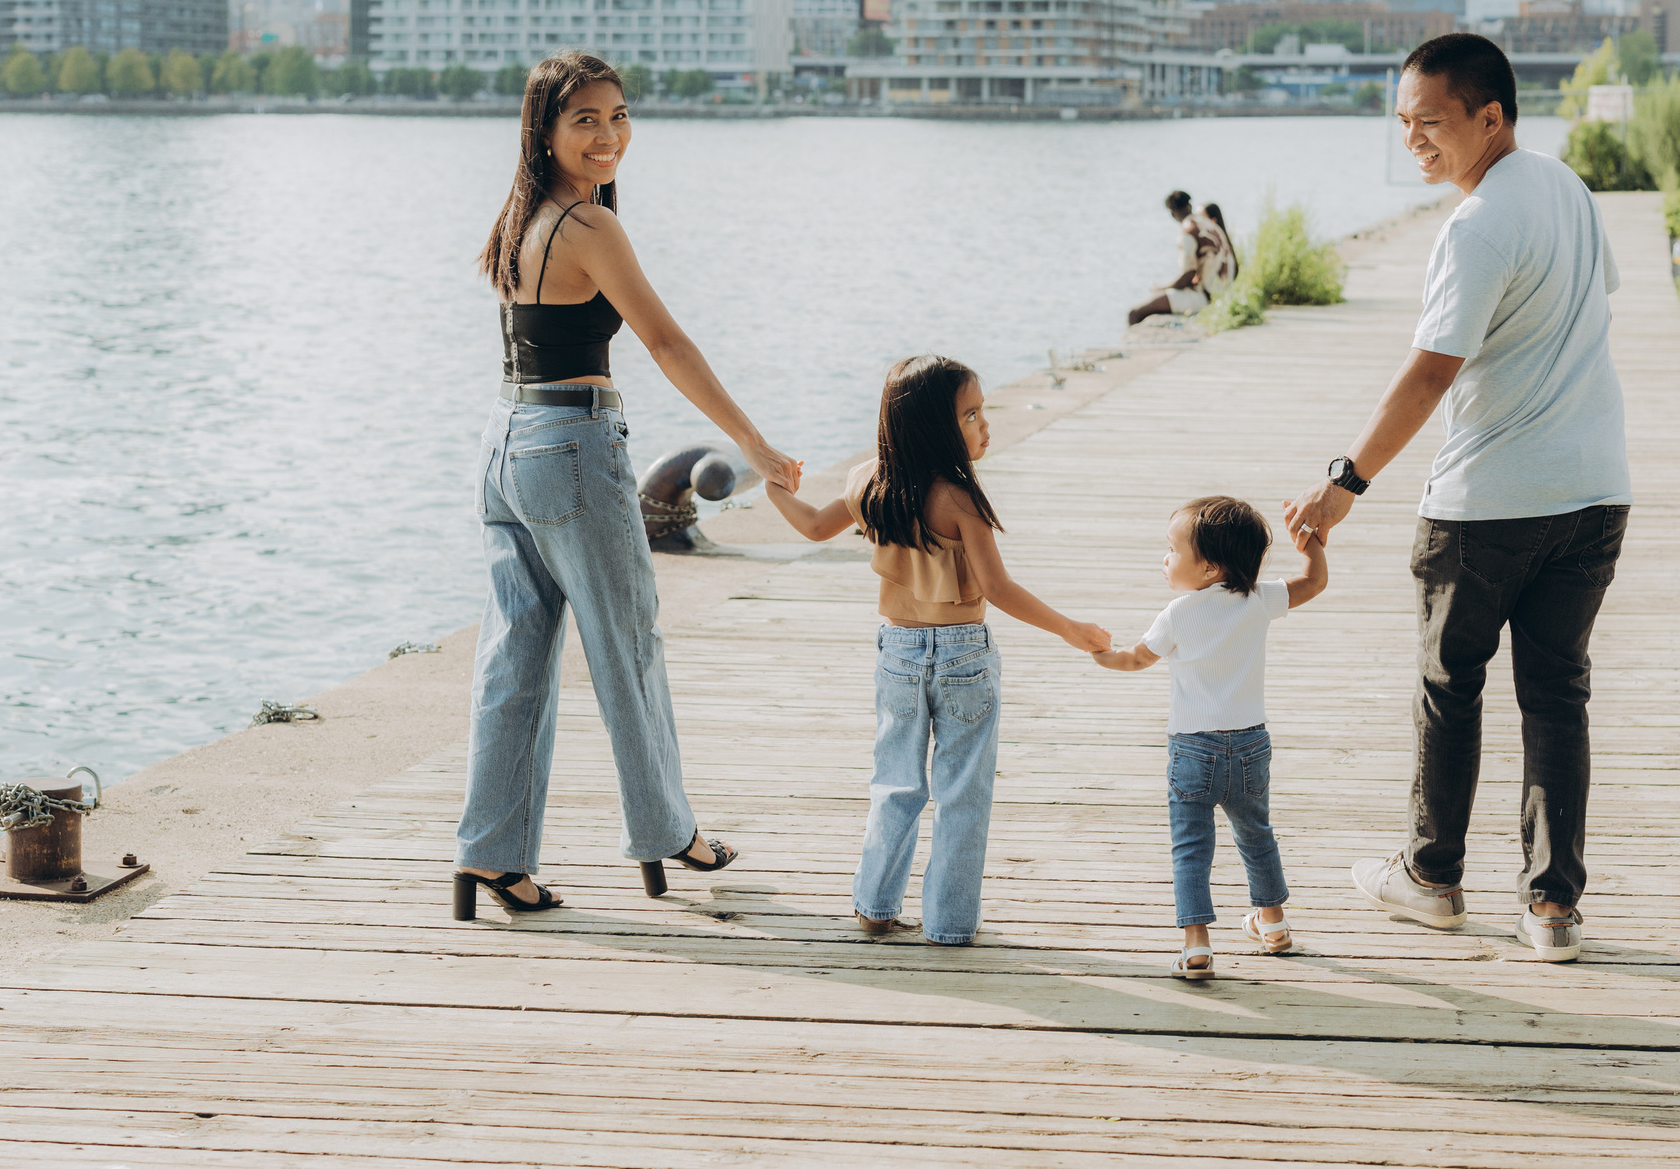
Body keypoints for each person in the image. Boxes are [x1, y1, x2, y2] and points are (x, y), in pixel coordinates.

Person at [1283, 31, 1630, 963]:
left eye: (1430, 123)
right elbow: (1599, 304)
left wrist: (1343, 481)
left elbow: (1433, 371)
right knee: (1558, 694)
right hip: (1597, 490)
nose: (1413, 142)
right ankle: (1552, 908)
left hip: (1488, 503)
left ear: (1491, 116)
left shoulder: (1475, 228)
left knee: (1452, 686)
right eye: (1402, 123)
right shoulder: (1569, 189)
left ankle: (1432, 878)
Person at [455, 50, 802, 920]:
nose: (608, 134)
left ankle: (492, 856)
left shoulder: (523, 214)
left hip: (506, 442)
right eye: (586, 120)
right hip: (572, 442)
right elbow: (667, 343)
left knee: (514, 660)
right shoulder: (590, 226)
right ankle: (668, 830)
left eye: (618, 115)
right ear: (546, 129)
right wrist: (752, 440)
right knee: (628, 647)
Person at [763, 355, 1112, 946]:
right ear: (933, 426)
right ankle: (949, 924)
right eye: (971, 415)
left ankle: (874, 906)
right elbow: (997, 589)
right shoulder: (960, 500)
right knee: (963, 793)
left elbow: (812, 526)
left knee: (896, 783)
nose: (983, 425)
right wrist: (1070, 629)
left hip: (897, 652)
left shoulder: (868, 479)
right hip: (963, 657)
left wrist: (775, 487)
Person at [1092, 497, 1328, 979]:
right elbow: (1314, 582)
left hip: (1194, 749)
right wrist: (1313, 545)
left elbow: (1136, 659)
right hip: (1249, 746)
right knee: (1256, 835)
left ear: (1209, 568)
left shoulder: (1177, 613)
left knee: (1191, 847)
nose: (1165, 558)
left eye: (1172, 550)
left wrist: (1100, 652)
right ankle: (1274, 924)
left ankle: (1197, 946)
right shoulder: (1258, 598)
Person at [1126, 190, 1236, 326]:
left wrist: (1162, 288)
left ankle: (1131, 347)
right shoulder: (1208, 223)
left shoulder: (1187, 233)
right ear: (1189, 205)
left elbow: (1187, 276)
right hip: (1223, 293)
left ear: (1172, 213)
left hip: (1206, 297)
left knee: (1135, 312)